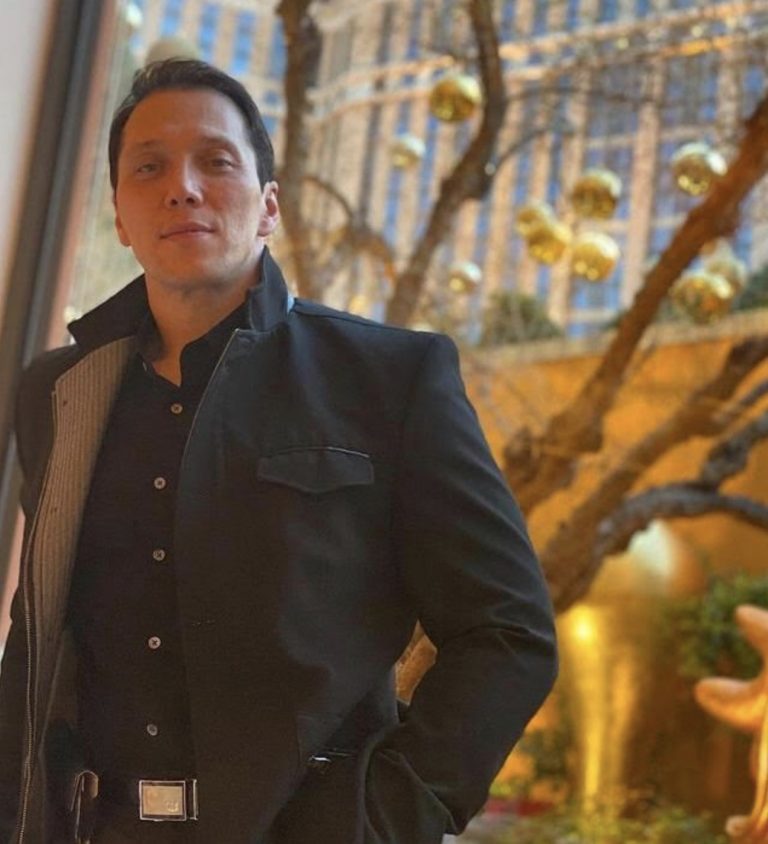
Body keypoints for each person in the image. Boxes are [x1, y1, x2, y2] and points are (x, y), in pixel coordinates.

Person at [0, 59, 557, 844]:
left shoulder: (392, 379)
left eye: (215, 161)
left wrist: (385, 817)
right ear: (120, 217)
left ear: (268, 206)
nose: (182, 187)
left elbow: (508, 633)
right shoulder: (59, 392)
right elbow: (37, 635)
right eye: (149, 167)